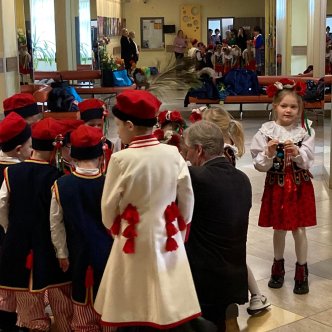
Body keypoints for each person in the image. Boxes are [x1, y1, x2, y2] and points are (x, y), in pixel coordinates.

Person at [94, 90, 201, 330]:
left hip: (133, 235)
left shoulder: (121, 159)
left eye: (119, 125)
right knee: (166, 286)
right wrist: (181, 226)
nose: (117, 130)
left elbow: (108, 206)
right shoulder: (172, 153)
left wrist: (114, 227)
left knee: (133, 290)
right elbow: (187, 197)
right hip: (167, 234)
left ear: (130, 125)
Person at [0, 118, 73, 331]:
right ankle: (63, 326)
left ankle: (33, 325)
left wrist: (10, 228)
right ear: (56, 148)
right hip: (48, 243)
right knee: (60, 294)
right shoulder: (58, 177)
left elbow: (1, 207)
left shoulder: (11, 173)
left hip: (18, 240)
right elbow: (58, 218)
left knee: (26, 294)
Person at [183, 120, 251, 332]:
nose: (186, 157)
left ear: (199, 150)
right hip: (235, 274)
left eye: (187, 150)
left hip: (205, 278)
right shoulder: (243, 178)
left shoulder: (196, 178)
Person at [250, 78, 316, 295]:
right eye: (284, 105)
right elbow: (259, 165)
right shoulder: (265, 132)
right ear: (275, 107)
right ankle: (277, 266)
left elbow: (308, 160)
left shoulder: (305, 131)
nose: (288, 110)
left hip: (299, 185)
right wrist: (268, 154)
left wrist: (298, 153)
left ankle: (302, 269)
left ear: (300, 109)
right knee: (279, 228)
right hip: (276, 185)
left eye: (293, 106)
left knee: (299, 228)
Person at [202, 107, 271, 315]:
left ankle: (256, 295)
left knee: (236, 255)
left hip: (226, 204)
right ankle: (256, 295)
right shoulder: (227, 146)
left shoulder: (224, 150)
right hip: (229, 203)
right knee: (236, 254)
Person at [50, 125, 114, 332]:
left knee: (82, 310)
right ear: (101, 155)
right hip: (108, 254)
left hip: (76, 253)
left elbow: (55, 223)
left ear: (73, 156)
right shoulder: (110, 184)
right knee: (109, 307)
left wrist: (61, 252)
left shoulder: (61, 185)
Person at [0, 112, 32, 332]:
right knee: (12, 282)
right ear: (19, 148)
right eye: (30, 143)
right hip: (10, 234)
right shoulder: (16, 172)